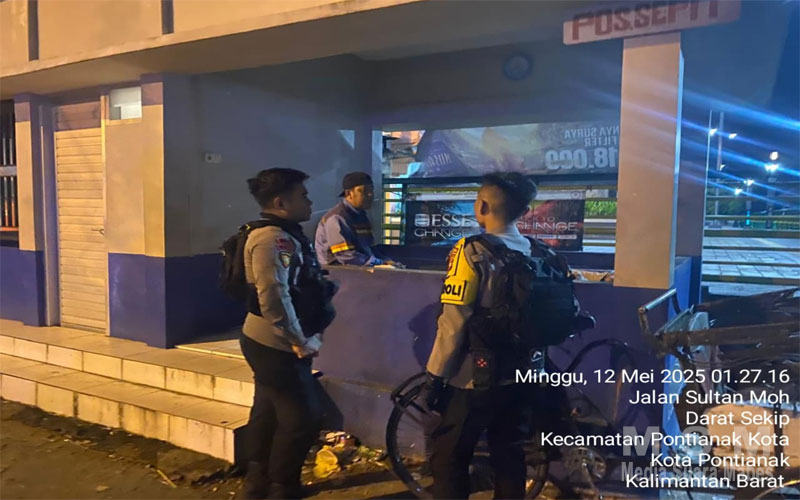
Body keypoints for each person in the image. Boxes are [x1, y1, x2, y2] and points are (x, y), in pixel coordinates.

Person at [424, 172, 540, 500]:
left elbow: (454, 320)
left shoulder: (471, 250)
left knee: (449, 456)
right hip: (524, 373)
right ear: (523, 212)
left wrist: (436, 376)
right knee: (510, 455)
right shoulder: (536, 251)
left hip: (476, 379)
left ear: (483, 207)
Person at [240, 168, 324, 499]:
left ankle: (256, 481)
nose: (309, 201)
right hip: (275, 345)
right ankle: (282, 487)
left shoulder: (281, 235)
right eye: (303, 195)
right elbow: (274, 295)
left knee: (267, 410)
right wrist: (298, 340)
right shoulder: (275, 240)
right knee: (303, 418)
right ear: (280, 202)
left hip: (265, 340)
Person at [315, 172, 399, 266]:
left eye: (371, 190)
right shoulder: (337, 218)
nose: (370, 194)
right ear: (349, 194)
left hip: (359, 267)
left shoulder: (360, 215)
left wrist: (387, 261)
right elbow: (345, 256)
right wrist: (379, 263)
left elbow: (368, 249)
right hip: (337, 271)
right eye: (364, 191)